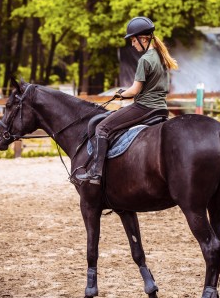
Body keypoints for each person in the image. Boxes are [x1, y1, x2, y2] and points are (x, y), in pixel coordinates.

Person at [76, 16, 178, 185]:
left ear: (143, 38)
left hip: (145, 107)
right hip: (161, 108)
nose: (133, 44)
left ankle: (96, 172)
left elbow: (135, 90)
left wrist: (120, 94)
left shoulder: (145, 60)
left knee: (102, 127)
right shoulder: (160, 57)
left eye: (133, 40)